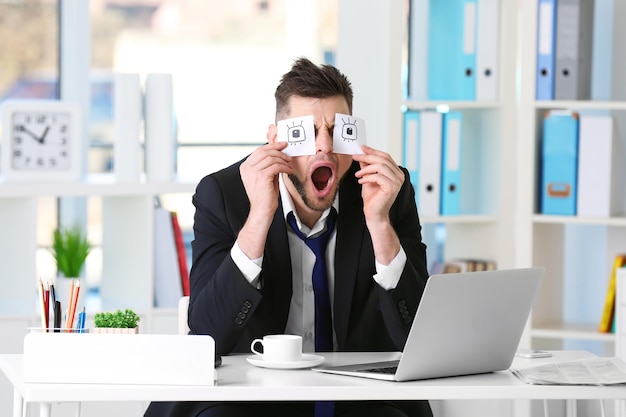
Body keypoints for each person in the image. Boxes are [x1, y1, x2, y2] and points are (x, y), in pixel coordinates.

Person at [145, 57, 432, 417]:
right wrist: (260, 215)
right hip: (252, 395)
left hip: (360, 395)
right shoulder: (223, 193)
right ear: (276, 140)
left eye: (335, 131)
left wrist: (379, 224)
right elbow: (206, 336)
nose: (323, 147)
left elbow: (419, 339)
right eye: (307, 133)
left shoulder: (387, 190)